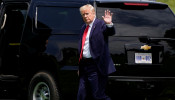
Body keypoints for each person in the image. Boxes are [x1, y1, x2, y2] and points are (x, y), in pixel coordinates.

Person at [77, 4, 116, 100]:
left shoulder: (100, 24)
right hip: (84, 66)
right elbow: (83, 48)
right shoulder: (83, 28)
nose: (85, 16)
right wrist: (80, 67)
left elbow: (110, 32)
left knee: (98, 96)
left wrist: (109, 24)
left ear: (93, 13)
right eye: (83, 15)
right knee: (81, 95)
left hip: (96, 66)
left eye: (87, 14)